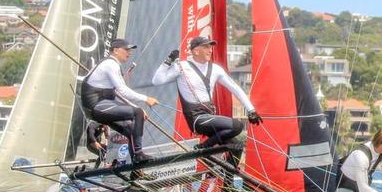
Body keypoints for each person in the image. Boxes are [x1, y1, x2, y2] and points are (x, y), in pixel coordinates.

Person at [151, 36, 262, 158]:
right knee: (237, 126)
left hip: (209, 117)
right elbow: (157, 81)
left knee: (237, 146)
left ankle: (227, 171)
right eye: (206, 47)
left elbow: (235, 88)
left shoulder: (216, 69)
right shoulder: (181, 67)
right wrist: (168, 61)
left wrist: (251, 110)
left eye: (210, 47)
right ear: (195, 51)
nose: (210, 50)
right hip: (197, 119)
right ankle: (203, 147)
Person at [79, 38, 157, 166]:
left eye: (130, 50)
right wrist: (146, 99)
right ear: (115, 50)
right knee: (137, 113)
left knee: (131, 129)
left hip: (100, 106)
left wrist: (136, 107)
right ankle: (138, 154)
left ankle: (136, 169)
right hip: (96, 106)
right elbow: (123, 91)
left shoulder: (111, 64)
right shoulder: (111, 64)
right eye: (126, 49)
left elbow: (118, 95)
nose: (129, 52)